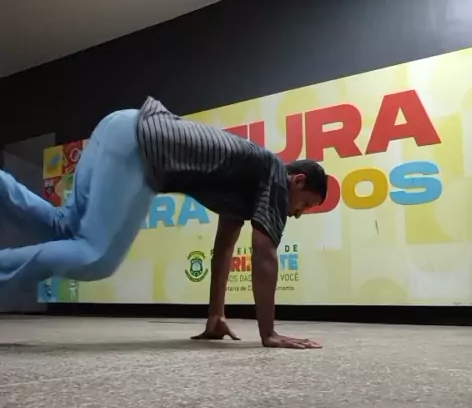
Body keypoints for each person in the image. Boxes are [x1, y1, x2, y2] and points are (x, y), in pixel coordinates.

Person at [0, 98, 328, 348]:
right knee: (96, 257)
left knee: (64, 227)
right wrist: (269, 333)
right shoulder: (275, 174)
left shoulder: (249, 181)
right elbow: (265, 253)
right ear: (297, 181)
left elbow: (223, 250)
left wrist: (216, 315)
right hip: (140, 146)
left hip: (119, 126)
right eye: (305, 204)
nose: (298, 213)